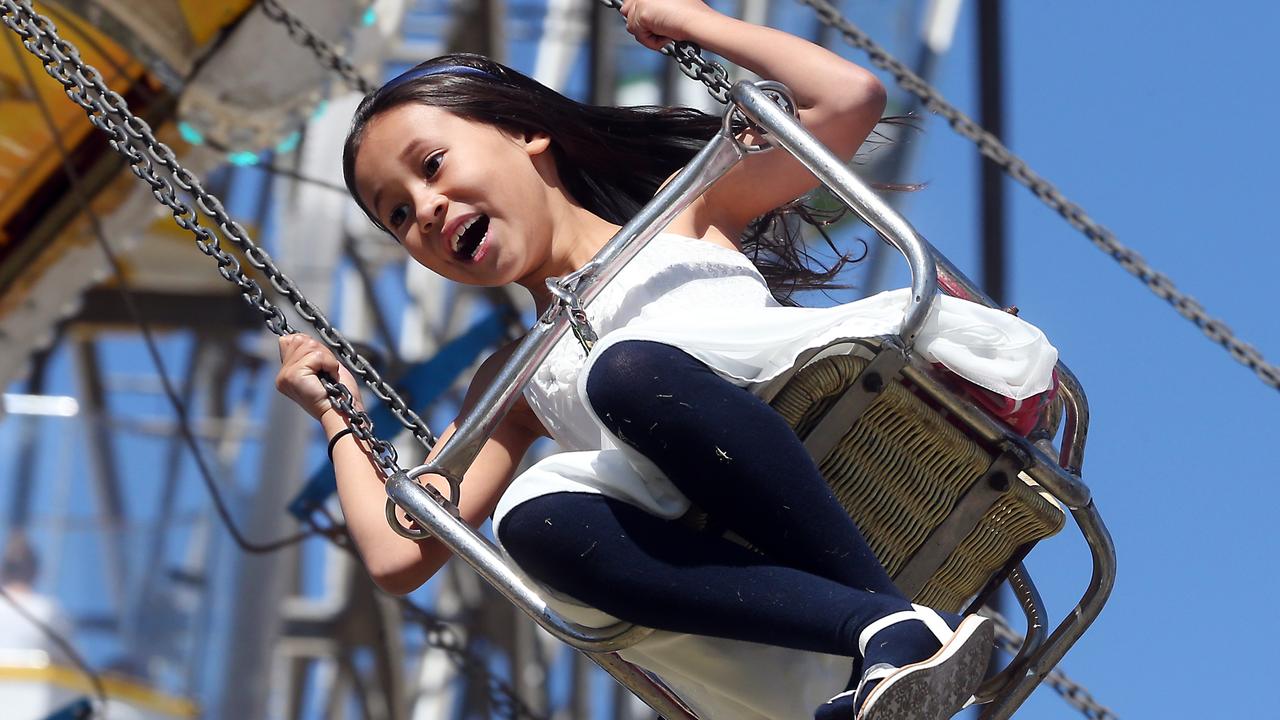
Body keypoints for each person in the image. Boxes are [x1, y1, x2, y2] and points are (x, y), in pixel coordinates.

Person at [274, 1, 1058, 717]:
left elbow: (847, 99)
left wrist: (691, 22)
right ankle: (881, 627)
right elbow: (400, 552)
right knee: (530, 522)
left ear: (524, 131)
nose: (429, 210)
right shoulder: (511, 383)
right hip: (701, 517)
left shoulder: (686, 212)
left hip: (804, 410)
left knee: (629, 371)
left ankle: (883, 623)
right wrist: (335, 414)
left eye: (433, 165)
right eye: (400, 215)